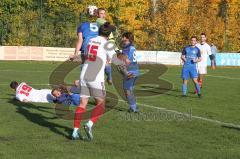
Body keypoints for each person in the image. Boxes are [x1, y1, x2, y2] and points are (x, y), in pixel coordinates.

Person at [72, 22, 125, 140]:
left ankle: (75, 131)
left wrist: (75, 57)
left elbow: (85, 55)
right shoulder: (107, 44)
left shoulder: (91, 40)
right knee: (101, 105)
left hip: (84, 75)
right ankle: (89, 124)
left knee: (82, 104)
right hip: (95, 77)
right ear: (109, 33)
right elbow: (116, 61)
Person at [121, 32, 139, 112]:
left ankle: (133, 108)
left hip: (130, 71)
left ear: (127, 38)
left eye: (123, 37)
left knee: (127, 90)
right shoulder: (132, 46)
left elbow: (125, 60)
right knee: (130, 89)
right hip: (136, 70)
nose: (122, 39)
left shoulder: (126, 48)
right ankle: (134, 106)